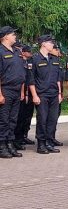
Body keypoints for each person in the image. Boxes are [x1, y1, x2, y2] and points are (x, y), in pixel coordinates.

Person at [28, 35, 63, 154]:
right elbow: (31, 79)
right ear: (43, 44)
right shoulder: (34, 59)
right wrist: (34, 95)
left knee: (52, 119)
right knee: (42, 119)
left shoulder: (54, 59)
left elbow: (58, 78)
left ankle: (49, 142)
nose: (52, 44)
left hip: (54, 94)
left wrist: (59, 93)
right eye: (50, 42)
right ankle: (41, 144)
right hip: (42, 94)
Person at [0, 26, 26, 158]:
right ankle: (2, 146)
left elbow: (20, 72)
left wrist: (21, 91)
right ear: (5, 36)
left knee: (13, 119)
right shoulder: (1, 52)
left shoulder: (17, 51)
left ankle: (10, 143)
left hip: (16, 90)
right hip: (5, 89)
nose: (15, 36)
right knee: (3, 120)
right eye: (13, 34)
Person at [15, 44, 35, 149]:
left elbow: (29, 78)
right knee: (18, 117)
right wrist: (25, 93)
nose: (31, 54)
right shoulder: (18, 62)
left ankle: (23, 136)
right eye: (29, 52)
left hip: (28, 92)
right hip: (18, 92)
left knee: (27, 116)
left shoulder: (29, 62)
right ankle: (16, 139)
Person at [48, 43, 64, 147]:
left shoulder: (57, 61)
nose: (58, 51)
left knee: (55, 117)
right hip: (50, 92)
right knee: (49, 118)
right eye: (56, 49)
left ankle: (52, 137)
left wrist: (60, 93)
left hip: (57, 92)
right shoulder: (50, 60)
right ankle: (47, 138)